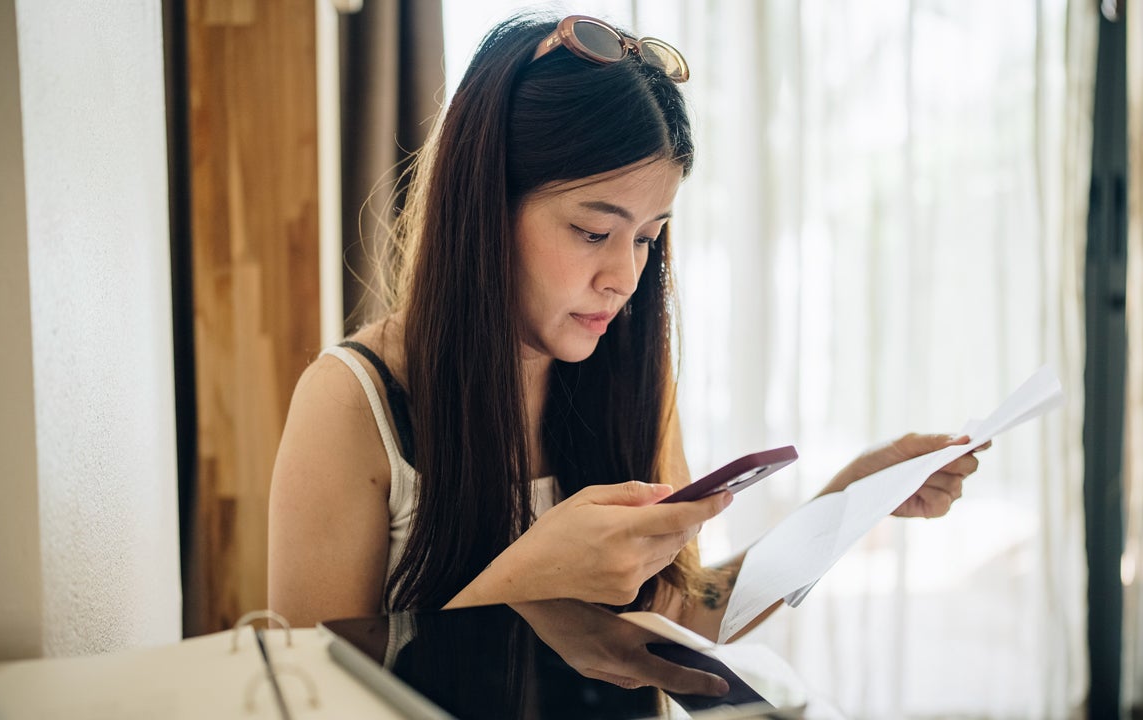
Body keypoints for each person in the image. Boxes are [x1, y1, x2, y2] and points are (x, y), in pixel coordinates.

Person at [267, 13, 985, 644]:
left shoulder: (619, 370)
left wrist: (848, 499)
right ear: (484, 209)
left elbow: (680, 617)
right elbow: (314, 698)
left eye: (647, 237)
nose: (625, 277)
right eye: (590, 231)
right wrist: (528, 577)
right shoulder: (352, 403)